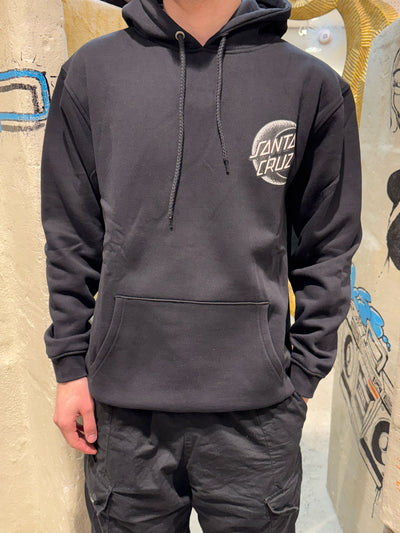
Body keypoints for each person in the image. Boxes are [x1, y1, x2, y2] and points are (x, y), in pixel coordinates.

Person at [40, 0, 362, 531]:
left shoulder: (311, 85)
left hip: (258, 416)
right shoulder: (92, 74)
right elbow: (70, 234)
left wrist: (305, 373)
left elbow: (329, 245)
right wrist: (70, 365)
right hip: (123, 413)